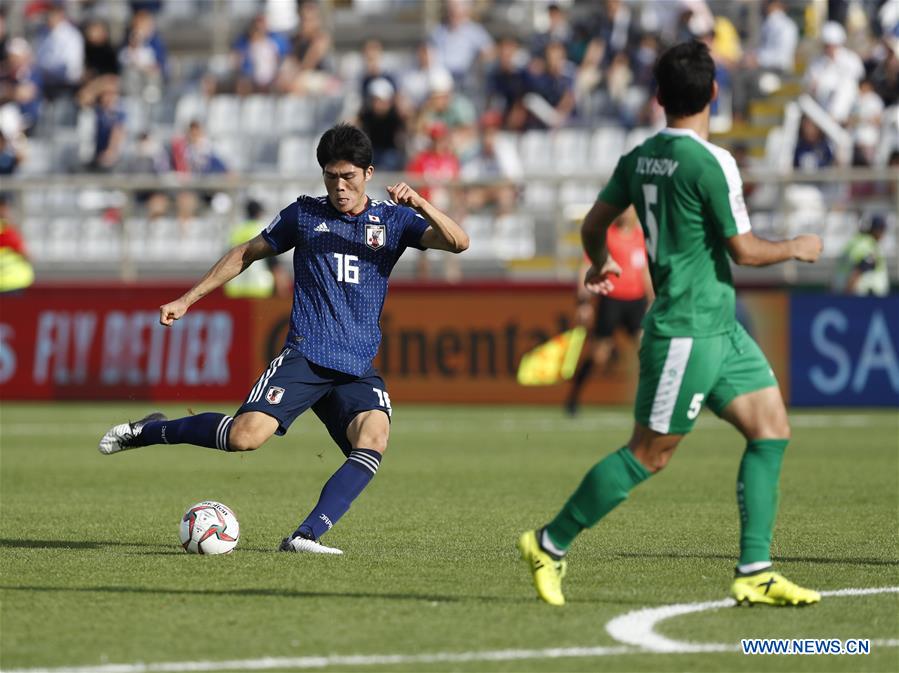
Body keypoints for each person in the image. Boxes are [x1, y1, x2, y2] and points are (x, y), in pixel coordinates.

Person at [517, 41, 823, 607]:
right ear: (714, 93)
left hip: (720, 328)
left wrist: (599, 261)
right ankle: (549, 543)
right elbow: (746, 250)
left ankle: (755, 570)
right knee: (650, 453)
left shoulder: (639, 158)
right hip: (686, 329)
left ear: (658, 97)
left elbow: (595, 224)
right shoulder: (712, 162)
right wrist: (798, 247)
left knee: (771, 429)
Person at [98, 123, 469, 554]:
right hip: (307, 356)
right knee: (244, 437)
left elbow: (458, 243)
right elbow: (245, 254)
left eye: (348, 177)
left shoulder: (392, 219)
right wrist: (187, 299)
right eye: (331, 177)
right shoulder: (305, 215)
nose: (339, 187)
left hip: (355, 367)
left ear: (368, 173)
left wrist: (420, 202)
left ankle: (304, 536)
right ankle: (154, 430)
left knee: (374, 437)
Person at [564, 206, 652, 416]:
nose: (626, 212)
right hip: (611, 300)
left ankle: (651, 404)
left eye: (630, 208)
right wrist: (584, 302)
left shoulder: (641, 237)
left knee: (647, 351)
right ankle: (573, 398)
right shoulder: (606, 236)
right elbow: (586, 265)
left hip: (636, 302)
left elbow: (645, 272)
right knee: (599, 355)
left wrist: (652, 300)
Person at [223, 199, 288, 298]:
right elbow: (273, 264)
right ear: (258, 213)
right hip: (260, 289)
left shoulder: (236, 230)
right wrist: (282, 291)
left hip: (235, 290)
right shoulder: (262, 230)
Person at [832, 214, 890, 296]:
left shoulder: (854, 242)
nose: (883, 234)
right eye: (882, 230)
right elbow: (860, 268)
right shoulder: (869, 245)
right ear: (876, 230)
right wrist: (848, 290)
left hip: (841, 290)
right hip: (864, 296)